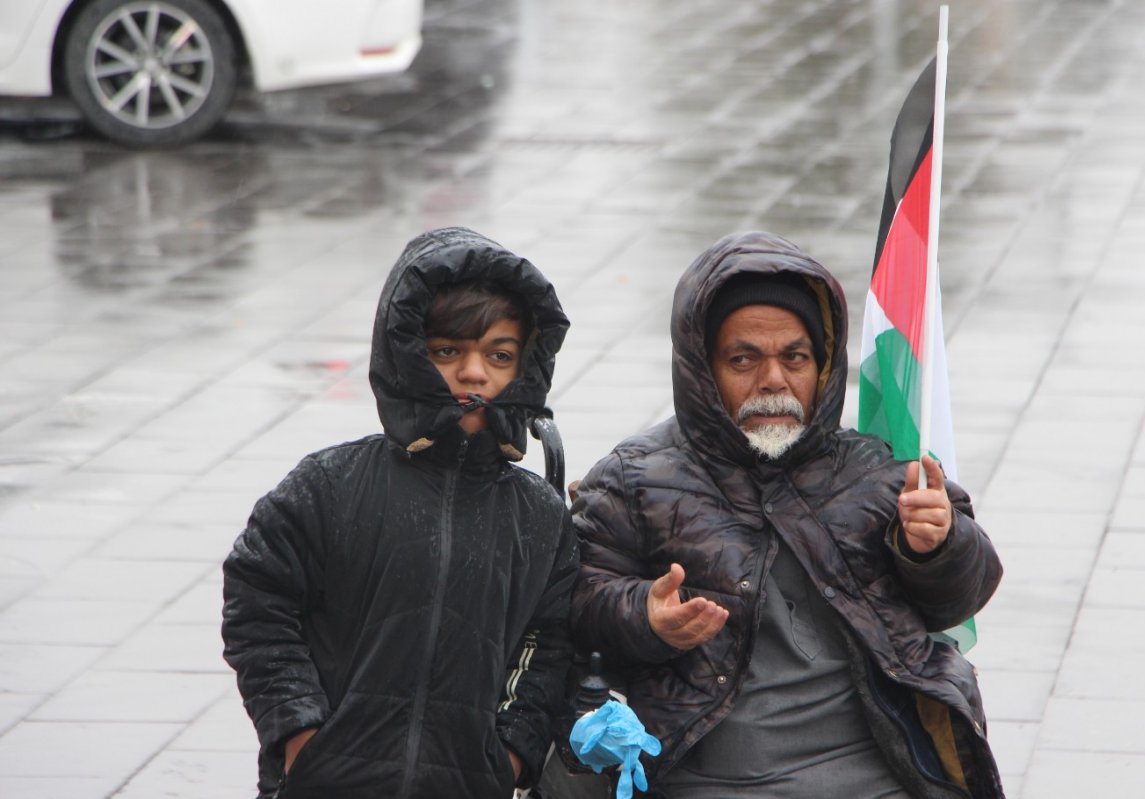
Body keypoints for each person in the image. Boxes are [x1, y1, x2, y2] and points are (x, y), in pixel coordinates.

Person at [570, 230, 1004, 798]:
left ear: (822, 368)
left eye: (794, 357)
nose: (773, 380)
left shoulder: (877, 471)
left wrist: (937, 547)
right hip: (710, 777)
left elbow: (961, 598)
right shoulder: (633, 479)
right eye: (744, 359)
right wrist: (645, 616)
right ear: (702, 370)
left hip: (878, 771)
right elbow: (576, 604)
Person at [222, 227, 578, 799]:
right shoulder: (329, 486)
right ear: (407, 354)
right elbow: (258, 602)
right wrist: (299, 733)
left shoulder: (539, 516)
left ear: (525, 367)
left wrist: (511, 755)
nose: (474, 373)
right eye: (447, 351)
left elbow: (550, 643)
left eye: (500, 355)